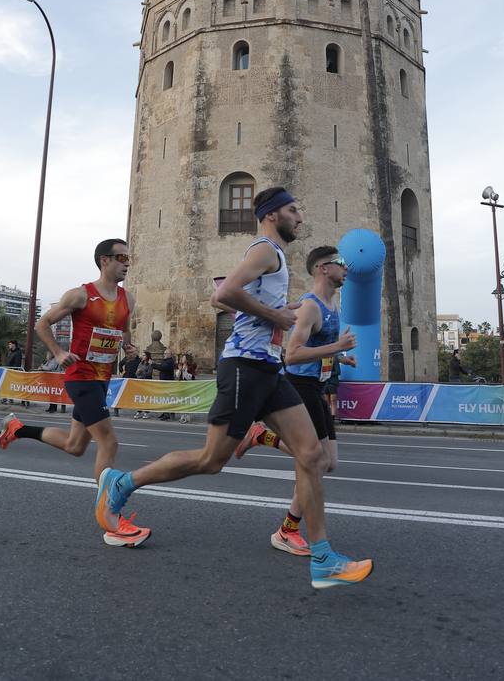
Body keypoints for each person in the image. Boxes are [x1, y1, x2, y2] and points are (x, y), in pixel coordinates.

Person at [93, 188, 372, 589]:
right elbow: (221, 295)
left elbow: (250, 303)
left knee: (311, 456)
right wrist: (275, 313)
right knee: (210, 460)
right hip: (243, 367)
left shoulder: (274, 258)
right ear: (273, 214)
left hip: (268, 369)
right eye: (294, 210)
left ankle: (324, 558)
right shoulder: (264, 251)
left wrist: (283, 314)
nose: (300, 216)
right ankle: (122, 483)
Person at [0, 238, 150, 548]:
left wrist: (127, 345)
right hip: (80, 377)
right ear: (104, 261)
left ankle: (18, 428)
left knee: (75, 445)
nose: (127, 262)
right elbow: (43, 324)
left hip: (102, 378)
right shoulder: (80, 296)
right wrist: (58, 351)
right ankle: (111, 518)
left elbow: (123, 328)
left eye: (129, 258)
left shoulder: (127, 299)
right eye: (121, 257)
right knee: (109, 441)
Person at [234, 245, 358, 557]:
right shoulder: (310, 306)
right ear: (323, 268)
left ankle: (262, 436)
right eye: (341, 263)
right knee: (314, 462)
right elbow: (293, 353)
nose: (347, 268)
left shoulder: (332, 304)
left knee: (328, 463)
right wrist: (335, 348)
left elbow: (322, 345)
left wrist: (342, 355)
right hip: (300, 386)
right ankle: (288, 530)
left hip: (316, 386)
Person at [152, 347, 175, 420]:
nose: (164, 355)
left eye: (165, 353)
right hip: (164, 382)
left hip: (168, 383)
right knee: (164, 398)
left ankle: (168, 414)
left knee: (167, 399)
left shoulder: (170, 361)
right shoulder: (165, 361)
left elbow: (162, 367)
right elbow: (161, 366)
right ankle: (164, 412)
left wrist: (153, 364)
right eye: (164, 353)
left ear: (170, 354)